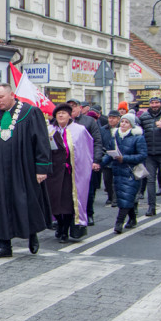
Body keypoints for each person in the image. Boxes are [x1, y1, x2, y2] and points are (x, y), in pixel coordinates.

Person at [0, 84, 51, 258]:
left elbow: (41, 141)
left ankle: (32, 233)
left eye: (1, 97)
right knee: (0, 205)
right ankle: (4, 245)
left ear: (12, 95)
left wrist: (41, 167)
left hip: (23, 168)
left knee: (25, 202)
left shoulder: (30, 112)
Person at [45, 104, 94, 243]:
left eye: (64, 113)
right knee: (54, 202)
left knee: (67, 204)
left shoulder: (79, 130)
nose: (61, 116)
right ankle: (59, 225)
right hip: (53, 174)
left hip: (70, 174)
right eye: (58, 113)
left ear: (69, 115)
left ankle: (65, 230)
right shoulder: (49, 130)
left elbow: (85, 150)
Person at [101, 113, 147, 234]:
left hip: (131, 172)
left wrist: (125, 158)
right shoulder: (115, 136)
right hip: (118, 171)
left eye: (127, 122)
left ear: (132, 125)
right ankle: (132, 218)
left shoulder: (138, 137)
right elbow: (109, 153)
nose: (123, 124)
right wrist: (99, 164)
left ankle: (119, 223)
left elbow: (142, 155)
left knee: (126, 196)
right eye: (122, 121)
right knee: (124, 196)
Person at [68, 100, 104, 226]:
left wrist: (96, 160)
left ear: (80, 108)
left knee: (87, 190)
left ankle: (89, 214)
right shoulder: (62, 122)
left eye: (74, 106)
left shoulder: (88, 122)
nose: (71, 109)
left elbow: (97, 141)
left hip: (85, 162)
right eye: (69, 106)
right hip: (69, 163)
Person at [100, 110, 120, 206]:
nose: (111, 120)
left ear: (118, 119)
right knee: (107, 180)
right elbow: (99, 142)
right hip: (106, 156)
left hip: (118, 157)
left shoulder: (121, 129)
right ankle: (110, 196)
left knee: (116, 180)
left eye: (113, 118)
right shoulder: (103, 129)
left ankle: (116, 199)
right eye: (110, 118)